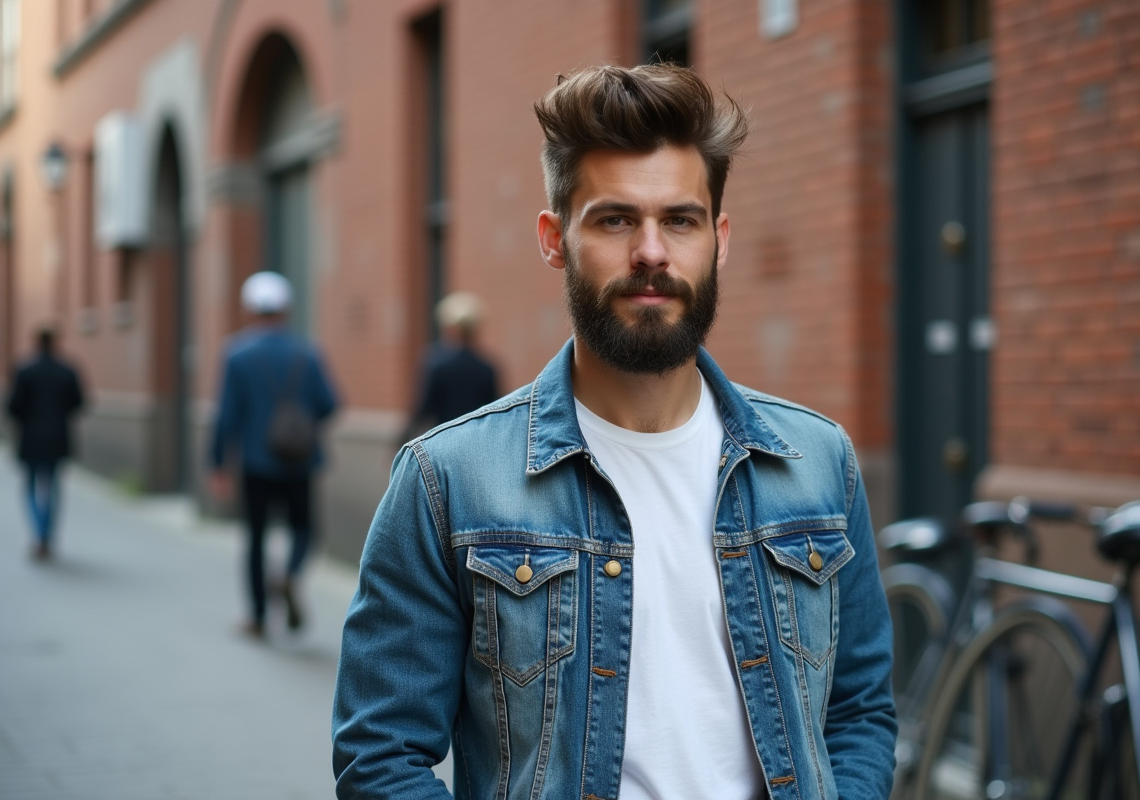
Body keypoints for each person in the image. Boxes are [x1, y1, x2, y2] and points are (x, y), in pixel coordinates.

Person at [333, 64, 896, 799]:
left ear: (718, 239)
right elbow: (381, 756)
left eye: (680, 220)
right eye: (615, 219)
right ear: (554, 238)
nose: (652, 253)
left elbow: (859, 713)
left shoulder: (817, 463)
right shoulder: (449, 481)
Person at [209, 271, 339, 639]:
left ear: (250, 309)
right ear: (287, 309)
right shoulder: (308, 352)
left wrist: (218, 462)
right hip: (300, 460)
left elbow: (226, 415)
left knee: (255, 536)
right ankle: (290, 574)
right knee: (305, 528)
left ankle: (257, 615)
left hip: (255, 462)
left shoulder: (236, 354)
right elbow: (330, 404)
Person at [6, 327, 85, 561]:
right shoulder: (67, 370)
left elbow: (13, 406)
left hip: (30, 437)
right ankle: (46, 534)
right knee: (51, 486)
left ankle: (38, 533)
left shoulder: (24, 370)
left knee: (30, 485)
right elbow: (79, 402)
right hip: (57, 437)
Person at [402, 291, 499, 442]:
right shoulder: (487, 367)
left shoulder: (436, 362)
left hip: (444, 439)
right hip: (476, 440)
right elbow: (495, 408)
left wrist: (404, 438)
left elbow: (423, 408)